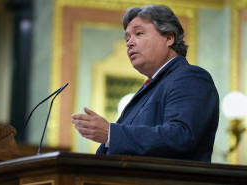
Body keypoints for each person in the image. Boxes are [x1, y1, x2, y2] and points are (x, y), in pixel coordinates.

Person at [71, 5, 219, 162]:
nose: (129, 43)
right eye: (127, 38)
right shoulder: (150, 87)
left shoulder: (190, 77)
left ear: (169, 38)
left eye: (139, 33)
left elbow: (180, 136)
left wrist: (110, 133)